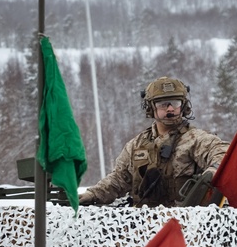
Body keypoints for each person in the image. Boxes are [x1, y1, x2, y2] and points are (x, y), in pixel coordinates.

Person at [78, 76, 228, 208]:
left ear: (184, 106)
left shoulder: (195, 139)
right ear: (151, 108)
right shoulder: (136, 145)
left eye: (175, 103)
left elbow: (223, 152)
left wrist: (214, 169)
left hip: (184, 225)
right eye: (163, 104)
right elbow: (118, 179)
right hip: (143, 224)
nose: (170, 109)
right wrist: (93, 194)